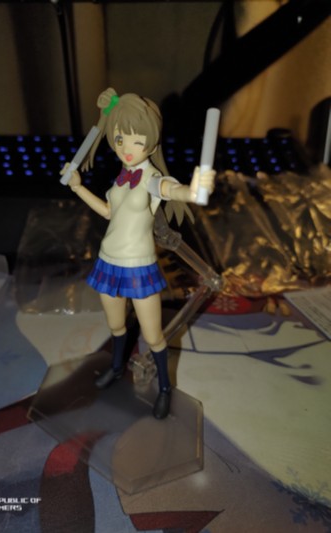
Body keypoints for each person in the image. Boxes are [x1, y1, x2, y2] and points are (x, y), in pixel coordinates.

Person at [61, 87, 215, 419]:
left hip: (138, 267)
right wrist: (77, 186)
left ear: (152, 144)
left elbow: (171, 189)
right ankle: (117, 368)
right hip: (108, 262)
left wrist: (194, 190)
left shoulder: (151, 179)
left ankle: (164, 388)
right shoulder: (120, 180)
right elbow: (107, 211)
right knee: (116, 325)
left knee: (153, 335)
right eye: (120, 139)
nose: (126, 148)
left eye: (135, 140)